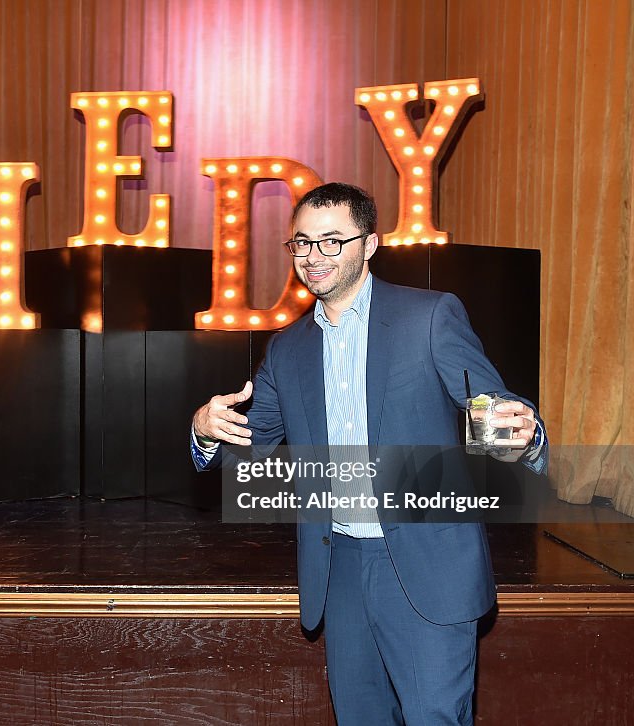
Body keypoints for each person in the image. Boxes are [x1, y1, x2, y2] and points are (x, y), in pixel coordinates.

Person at [190, 182, 547, 726]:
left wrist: (520, 434)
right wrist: (205, 429)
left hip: (427, 562)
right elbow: (244, 446)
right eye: (303, 243)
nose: (314, 257)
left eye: (333, 241)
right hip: (341, 569)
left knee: (434, 717)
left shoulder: (428, 317)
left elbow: (490, 406)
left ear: (370, 245)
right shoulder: (288, 348)